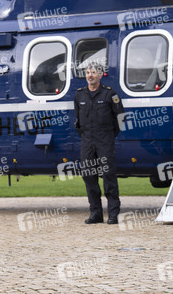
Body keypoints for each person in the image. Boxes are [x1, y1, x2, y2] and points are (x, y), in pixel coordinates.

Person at [74, 63, 125, 225]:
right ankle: (95, 213)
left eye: (93, 73)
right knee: (89, 177)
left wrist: (109, 135)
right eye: (88, 73)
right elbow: (78, 120)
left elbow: (120, 117)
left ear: (100, 75)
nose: (90, 75)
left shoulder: (110, 93)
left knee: (108, 176)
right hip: (87, 141)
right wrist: (86, 135)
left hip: (105, 140)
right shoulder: (80, 95)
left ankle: (113, 213)